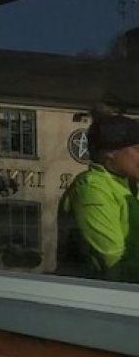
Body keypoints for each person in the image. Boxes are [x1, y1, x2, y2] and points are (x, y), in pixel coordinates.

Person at [62, 104, 139, 282]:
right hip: (101, 300)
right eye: (137, 149)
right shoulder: (91, 188)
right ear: (109, 155)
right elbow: (113, 262)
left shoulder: (131, 183)